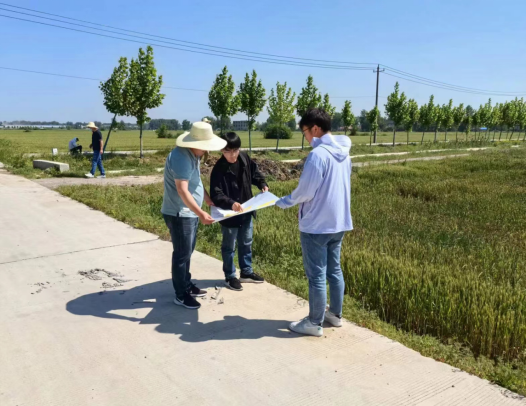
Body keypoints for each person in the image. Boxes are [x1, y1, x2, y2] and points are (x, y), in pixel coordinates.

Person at [275, 108, 352, 337]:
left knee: (316, 275)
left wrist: (284, 201)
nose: (306, 137)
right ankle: (335, 315)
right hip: (338, 222)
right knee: (334, 270)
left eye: (305, 132)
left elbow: (305, 192)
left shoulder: (318, 155)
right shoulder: (344, 154)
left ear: (316, 129)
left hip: (317, 224)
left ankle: (314, 322)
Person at [161, 121, 227, 309]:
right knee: (182, 254)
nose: (206, 151)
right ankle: (181, 295)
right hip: (180, 213)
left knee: (187, 251)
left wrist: (206, 199)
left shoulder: (192, 155)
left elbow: (195, 182)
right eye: (204, 147)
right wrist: (201, 213)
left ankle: (186, 284)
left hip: (189, 212)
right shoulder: (181, 158)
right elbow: (182, 190)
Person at [210, 132, 268, 291]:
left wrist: (262, 183)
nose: (232, 155)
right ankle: (230, 276)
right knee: (229, 247)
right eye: (227, 151)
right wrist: (231, 203)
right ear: (221, 151)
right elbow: (216, 194)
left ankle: (246, 272)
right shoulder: (219, 169)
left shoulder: (244, 158)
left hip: (246, 210)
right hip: (230, 215)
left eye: (235, 150)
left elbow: (254, 173)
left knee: (246, 242)